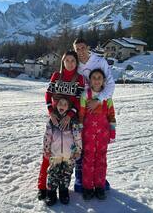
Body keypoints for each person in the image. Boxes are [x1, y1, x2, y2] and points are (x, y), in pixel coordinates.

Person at [37, 51, 85, 201]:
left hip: (70, 119)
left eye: (73, 60)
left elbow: (79, 99)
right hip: (56, 116)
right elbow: (48, 94)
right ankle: (42, 186)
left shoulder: (80, 79)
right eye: (67, 60)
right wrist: (51, 111)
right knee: (50, 154)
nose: (70, 63)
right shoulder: (56, 76)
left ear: (76, 63)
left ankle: (63, 189)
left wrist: (71, 115)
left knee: (66, 156)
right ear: (63, 62)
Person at [73, 38, 115, 192]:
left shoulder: (99, 61)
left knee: (98, 148)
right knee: (81, 143)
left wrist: (98, 100)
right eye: (77, 49)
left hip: (99, 105)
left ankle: (99, 178)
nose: (80, 51)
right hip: (80, 105)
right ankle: (80, 177)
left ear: (88, 48)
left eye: (83, 48)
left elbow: (110, 84)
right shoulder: (75, 63)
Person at [79, 68, 116, 201]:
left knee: (101, 160)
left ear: (103, 81)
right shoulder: (85, 95)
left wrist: (112, 131)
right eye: (93, 77)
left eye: (99, 77)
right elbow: (81, 115)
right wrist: (79, 132)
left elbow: (111, 115)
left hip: (103, 134)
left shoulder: (107, 97)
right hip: (88, 134)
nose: (96, 80)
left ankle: (99, 186)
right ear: (90, 80)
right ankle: (87, 188)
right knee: (88, 160)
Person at [43, 97, 82, 206]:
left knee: (66, 174)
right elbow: (47, 136)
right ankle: (51, 192)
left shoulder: (73, 121)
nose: (62, 106)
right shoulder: (52, 120)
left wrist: (78, 150)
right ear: (56, 105)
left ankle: (63, 191)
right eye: (60, 103)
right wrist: (46, 149)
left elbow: (77, 137)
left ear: (69, 107)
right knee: (53, 174)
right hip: (55, 154)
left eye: (65, 104)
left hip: (69, 155)